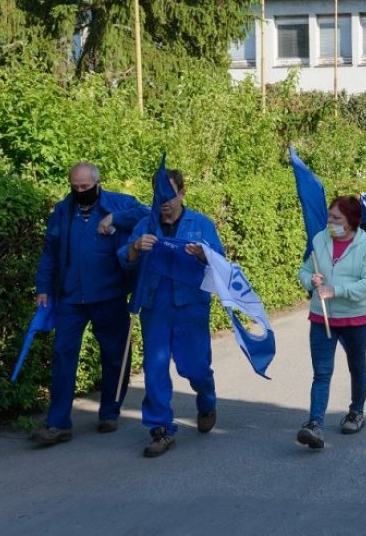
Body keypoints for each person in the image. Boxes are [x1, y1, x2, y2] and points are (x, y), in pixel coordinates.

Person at [31, 162, 148, 446]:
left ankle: (110, 412)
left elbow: (148, 214)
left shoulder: (118, 202)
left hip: (109, 294)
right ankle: (58, 424)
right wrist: (44, 287)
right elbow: (50, 252)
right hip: (71, 297)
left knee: (115, 355)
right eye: (75, 187)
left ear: (97, 183)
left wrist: (115, 219)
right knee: (62, 353)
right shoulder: (63, 210)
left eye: (85, 187)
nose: (80, 191)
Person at [120, 169, 224, 457]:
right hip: (155, 305)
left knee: (195, 368)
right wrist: (135, 248)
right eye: (158, 194)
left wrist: (203, 254)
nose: (164, 201)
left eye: (170, 194)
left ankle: (206, 397)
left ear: (182, 193)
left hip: (191, 306)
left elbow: (219, 259)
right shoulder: (146, 224)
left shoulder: (200, 223)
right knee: (155, 368)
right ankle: (160, 428)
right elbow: (124, 260)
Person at [297, 196, 366, 450]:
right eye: (329, 216)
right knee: (321, 373)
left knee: (357, 367)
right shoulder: (319, 239)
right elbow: (303, 270)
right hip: (321, 317)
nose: (330, 222)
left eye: (337, 218)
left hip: (354, 319)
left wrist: (337, 290)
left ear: (352, 221)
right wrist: (309, 280)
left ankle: (356, 412)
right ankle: (315, 425)